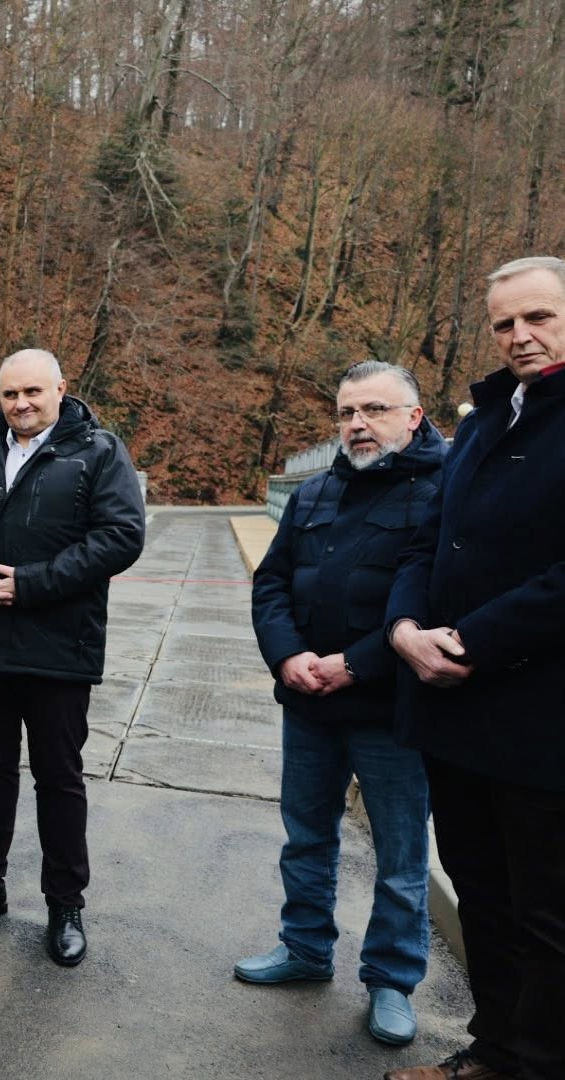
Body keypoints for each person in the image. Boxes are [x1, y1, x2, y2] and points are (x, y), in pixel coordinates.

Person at [384, 256, 565, 1080]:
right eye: (504, 324)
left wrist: (472, 642)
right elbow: (429, 537)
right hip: (454, 712)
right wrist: (405, 628)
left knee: (547, 915)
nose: (520, 337)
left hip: (539, 717)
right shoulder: (491, 419)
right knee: (483, 896)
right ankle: (489, 1056)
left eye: (540, 318)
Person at [0, 349, 144, 966]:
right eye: (10, 393)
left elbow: (122, 536)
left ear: (61, 389)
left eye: (33, 392)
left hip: (59, 643)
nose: (21, 404)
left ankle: (65, 902)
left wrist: (31, 583)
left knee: (58, 777)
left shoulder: (98, 450)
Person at [242, 362, 443, 1047]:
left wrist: (356, 663)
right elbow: (269, 584)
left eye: (375, 410)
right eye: (347, 412)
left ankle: (391, 979)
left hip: (392, 711)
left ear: (414, 417)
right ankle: (303, 948)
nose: (357, 424)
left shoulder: (442, 491)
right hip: (309, 702)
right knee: (306, 836)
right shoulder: (317, 491)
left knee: (401, 854)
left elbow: (438, 600)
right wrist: (288, 655)